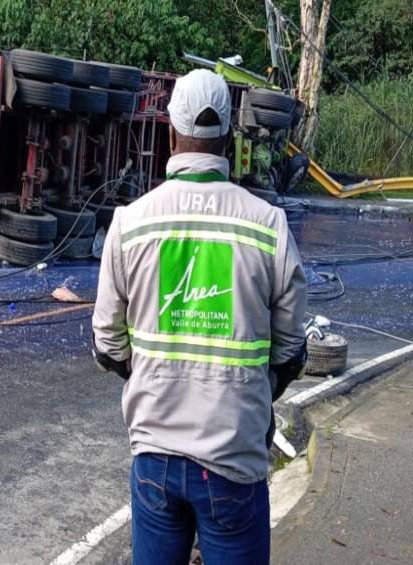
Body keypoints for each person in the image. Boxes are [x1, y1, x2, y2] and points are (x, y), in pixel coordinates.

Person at [92, 69, 307, 565]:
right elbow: (290, 351)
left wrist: (148, 371)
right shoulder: (268, 227)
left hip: (155, 459)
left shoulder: (130, 225)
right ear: (230, 139)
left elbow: (107, 343)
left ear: (170, 134)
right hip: (233, 462)